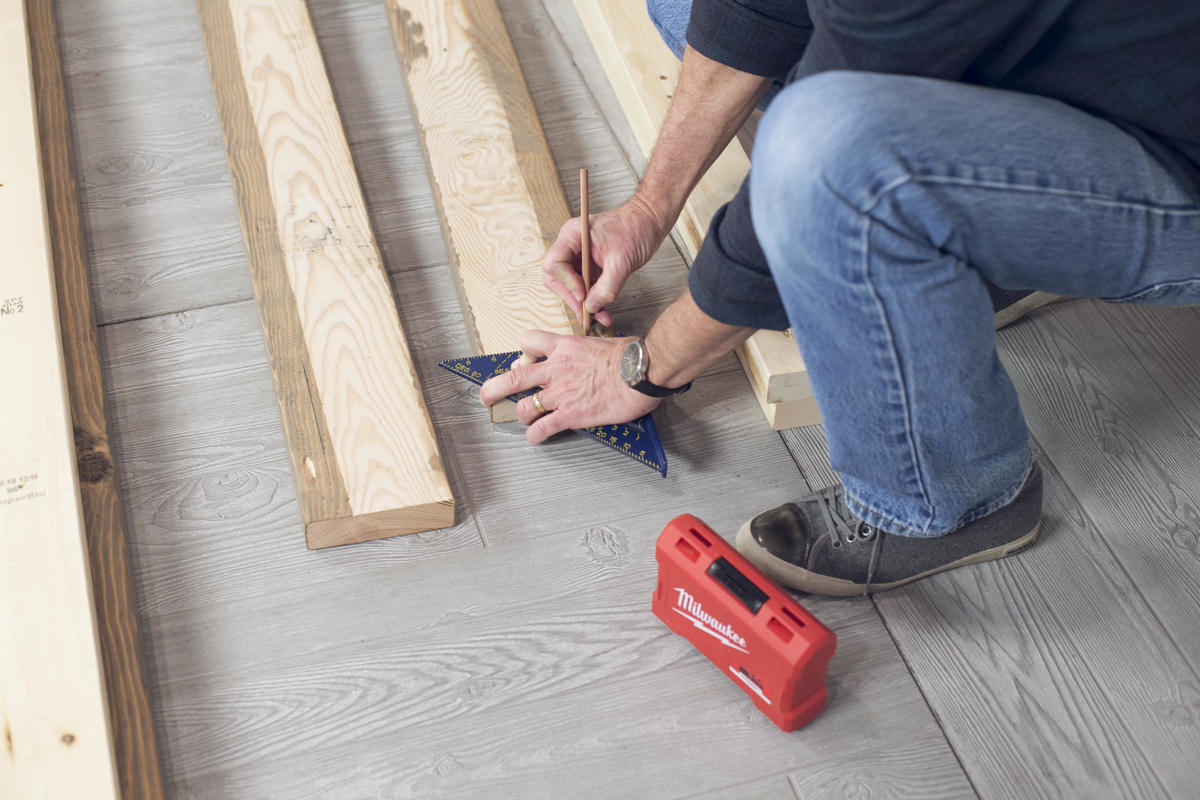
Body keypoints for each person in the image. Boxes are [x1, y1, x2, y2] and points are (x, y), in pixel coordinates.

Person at [479, 0, 1200, 596]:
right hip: (1089, 57)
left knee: (822, 148)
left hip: (1174, 155)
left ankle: (949, 503)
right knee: (682, 11)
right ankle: (941, 240)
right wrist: (647, 209)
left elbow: (828, 154)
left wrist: (642, 365)